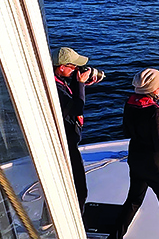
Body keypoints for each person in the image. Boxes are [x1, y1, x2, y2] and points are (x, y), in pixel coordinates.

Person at [111, 68, 159, 239]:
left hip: (136, 161)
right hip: (158, 167)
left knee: (133, 202)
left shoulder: (129, 104)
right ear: (155, 88)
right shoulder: (155, 111)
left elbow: (127, 132)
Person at [51, 46, 91, 212]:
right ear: (62, 67)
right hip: (66, 144)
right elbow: (76, 108)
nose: (76, 70)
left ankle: (47, 220)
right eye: (73, 67)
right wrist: (80, 84)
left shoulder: (56, 82)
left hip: (64, 141)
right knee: (79, 190)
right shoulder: (57, 90)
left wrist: (78, 83)